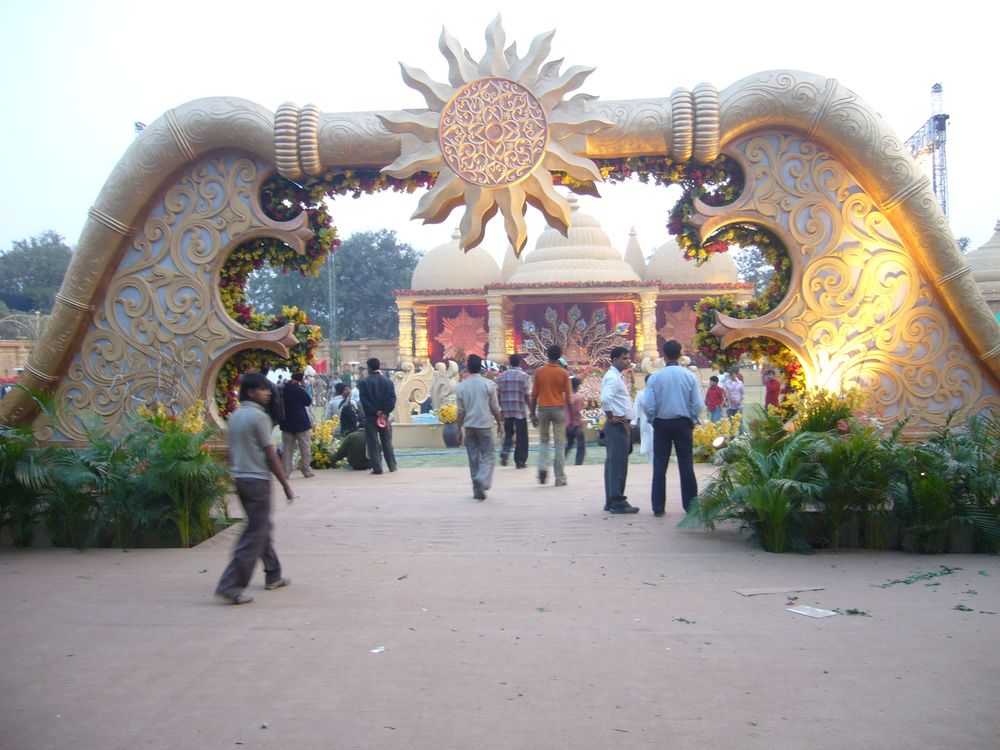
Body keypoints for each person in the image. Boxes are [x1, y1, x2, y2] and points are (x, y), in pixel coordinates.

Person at [215, 372, 294, 605]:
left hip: (241, 479)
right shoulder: (260, 418)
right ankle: (230, 585)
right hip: (257, 480)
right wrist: (285, 484)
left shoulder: (235, 417)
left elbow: (231, 452)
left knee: (261, 528)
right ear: (251, 392)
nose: (268, 393)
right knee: (254, 533)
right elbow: (270, 454)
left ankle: (273, 573)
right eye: (263, 389)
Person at [643, 340, 704, 516]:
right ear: (680, 354)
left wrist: (653, 419)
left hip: (662, 423)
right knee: (686, 464)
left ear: (664, 355)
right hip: (683, 423)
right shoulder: (689, 376)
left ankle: (658, 507)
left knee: (660, 465)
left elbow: (648, 404)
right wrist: (692, 418)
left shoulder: (655, 377)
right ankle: (691, 505)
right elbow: (698, 404)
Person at [455, 354, 504, 500]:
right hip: (484, 425)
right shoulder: (488, 384)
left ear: (468, 368)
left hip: (469, 426)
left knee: (473, 457)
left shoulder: (461, 386)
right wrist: (500, 424)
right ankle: (482, 479)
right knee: (488, 456)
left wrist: (459, 429)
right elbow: (495, 408)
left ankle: (477, 488)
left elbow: (460, 411)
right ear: (481, 368)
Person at [601, 346, 638, 514]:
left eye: (628, 358)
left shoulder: (617, 376)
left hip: (619, 424)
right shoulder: (612, 378)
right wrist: (611, 417)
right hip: (617, 425)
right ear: (614, 360)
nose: (627, 360)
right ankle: (617, 501)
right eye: (624, 358)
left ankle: (611, 500)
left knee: (614, 463)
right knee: (617, 463)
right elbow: (605, 399)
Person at [529, 344, 572, 486]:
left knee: (544, 441)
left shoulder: (540, 372)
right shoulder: (564, 373)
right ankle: (559, 477)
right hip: (558, 409)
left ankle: (542, 468)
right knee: (559, 444)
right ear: (560, 356)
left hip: (543, 408)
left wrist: (532, 414)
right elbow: (569, 398)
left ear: (547, 355)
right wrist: (572, 415)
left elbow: (534, 395)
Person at [358, 357, 397, 474]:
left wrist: (376, 411)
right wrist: (384, 412)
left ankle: (378, 468)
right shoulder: (388, 382)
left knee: (373, 442)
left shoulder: (364, 382)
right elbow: (392, 399)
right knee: (387, 441)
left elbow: (364, 401)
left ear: (369, 368)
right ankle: (392, 466)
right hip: (385, 417)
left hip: (371, 417)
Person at [497, 353, 530, 469]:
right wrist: (531, 410)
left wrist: (500, 409)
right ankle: (520, 461)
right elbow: (526, 395)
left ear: (510, 362)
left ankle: (505, 450)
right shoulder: (523, 376)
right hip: (519, 410)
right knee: (522, 437)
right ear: (520, 362)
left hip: (507, 410)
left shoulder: (502, 376)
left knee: (508, 433)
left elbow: (498, 394)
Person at [279, 372, 314, 478]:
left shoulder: (283, 389)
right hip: (301, 422)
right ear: (302, 379)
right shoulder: (300, 390)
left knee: (287, 448)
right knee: (304, 447)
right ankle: (306, 470)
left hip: (286, 421)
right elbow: (308, 401)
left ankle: (286, 471)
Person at [564, 376, 586, 466]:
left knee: (569, 444)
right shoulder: (578, 398)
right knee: (581, 445)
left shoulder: (564, 397)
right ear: (577, 386)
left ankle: (561, 461)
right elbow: (577, 412)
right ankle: (578, 463)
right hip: (576, 425)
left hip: (567, 425)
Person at [631, 387, 654, 464]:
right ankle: (650, 462)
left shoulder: (660, 391)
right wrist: (633, 421)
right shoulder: (641, 393)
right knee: (649, 443)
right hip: (646, 422)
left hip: (659, 421)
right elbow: (636, 408)